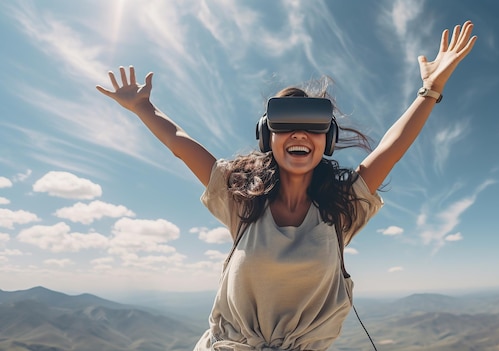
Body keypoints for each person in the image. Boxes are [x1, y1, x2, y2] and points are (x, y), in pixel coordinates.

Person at [97, 21, 477, 351]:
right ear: (267, 136)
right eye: (285, 124)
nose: (300, 133)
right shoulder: (241, 200)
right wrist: (143, 107)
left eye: (313, 126)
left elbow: (390, 151)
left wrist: (429, 90)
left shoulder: (340, 209)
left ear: (326, 140)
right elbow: (181, 144)